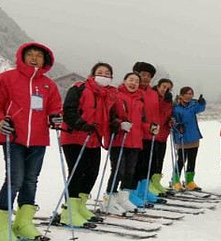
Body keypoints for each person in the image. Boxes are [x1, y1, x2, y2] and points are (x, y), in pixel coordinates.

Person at [0, 42, 63, 241]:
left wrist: (56, 118)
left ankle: (24, 222)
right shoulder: (7, 78)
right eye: (29, 54)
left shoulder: (48, 84)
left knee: (31, 180)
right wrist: (0, 121)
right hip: (13, 137)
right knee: (15, 179)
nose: (34, 58)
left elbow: (55, 108)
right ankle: (1, 224)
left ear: (45, 60)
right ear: (22, 56)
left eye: (38, 56)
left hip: (38, 139)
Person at [59, 62, 117, 225]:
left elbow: (108, 116)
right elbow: (68, 111)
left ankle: (80, 206)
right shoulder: (79, 88)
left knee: (92, 173)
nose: (104, 75)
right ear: (92, 74)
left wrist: (115, 124)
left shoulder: (107, 95)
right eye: (100, 72)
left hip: (94, 139)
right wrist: (81, 124)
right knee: (77, 172)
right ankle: (69, 211)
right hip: (74, 137)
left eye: (107, 73)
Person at [105, 72, 149, 211]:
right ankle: (109, 198)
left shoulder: (140, 100)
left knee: (130, 171)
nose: (133, 83)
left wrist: (150, 128)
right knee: (118, 170)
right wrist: (119, 124)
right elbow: (110, 116)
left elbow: (142, 121)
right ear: (124, 81)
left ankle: (124, 198)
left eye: (136, 81)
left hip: (135, 141)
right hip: (119, 139)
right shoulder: (116, 96)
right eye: (131, 80)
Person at [131, 62, 163, 205]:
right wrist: (146, 126)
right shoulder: (134, 91)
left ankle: (143, 191)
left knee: (147, 165)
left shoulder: (153, 93)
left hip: (151, 134)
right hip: (136, 134)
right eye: (143, 75)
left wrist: (156, 126)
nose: (146, 78)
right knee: (136, 165)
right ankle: (132, 192)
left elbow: (155, 113)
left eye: (149, 76)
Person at [171, 86, 206, 191]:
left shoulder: (193, 105)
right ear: (181, 95)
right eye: (186, 93)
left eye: (191, 94)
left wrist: (202, 102)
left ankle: (189, 181)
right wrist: (177, 125)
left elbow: (201, 109)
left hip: (194, 136)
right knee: (181, 160)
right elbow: (171, 120)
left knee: (192, 159)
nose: (188, 96)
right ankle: (175, 180)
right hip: (181, 136)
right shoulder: (175, 107)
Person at [147, 78, 175, 196]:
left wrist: (170, 120)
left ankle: (156, 182)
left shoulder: (168, 100)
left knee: (159, 160)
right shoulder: (152, 96)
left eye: (168, 88)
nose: (165, 89)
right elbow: (155, 112)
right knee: (151, 161)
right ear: (158, 86)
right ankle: (148, 185)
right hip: (152, 134)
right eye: (163, 86)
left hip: (163, 134)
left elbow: (166, 115)